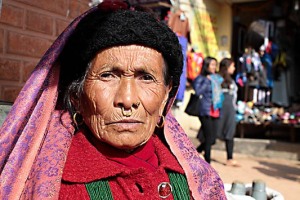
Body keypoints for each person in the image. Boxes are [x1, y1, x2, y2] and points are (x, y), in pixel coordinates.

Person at [0, 1, 226, 199]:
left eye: (146, 77)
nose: (127, 100)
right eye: (108, 75)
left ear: (167, 95)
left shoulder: (195, 181)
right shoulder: (50, 185)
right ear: (76, 95)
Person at [193, 56, 224, 164]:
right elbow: (198, 91)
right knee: (208, 137)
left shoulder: (217, 78)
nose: (214, 67)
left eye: (215, 65)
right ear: (206, 66)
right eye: (212, 65)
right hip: (205, 111)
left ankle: (196, 152)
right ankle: (208, 162)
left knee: (213, 138)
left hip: (215, 110)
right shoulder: (201, 78)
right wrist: (207, 80)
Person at [217, 58, 240, 167]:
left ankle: (229, 158)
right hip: (220, 107)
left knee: (230, 132)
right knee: (214, 132)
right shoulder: (217, 79)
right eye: (232, 66)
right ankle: (199, 151)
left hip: (230, 109)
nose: (234, 68)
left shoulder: (232, 80)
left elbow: (235, 95)